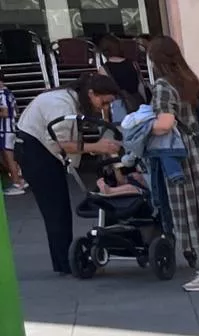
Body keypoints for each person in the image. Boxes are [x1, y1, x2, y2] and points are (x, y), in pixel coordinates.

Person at [14, 74, 122, 274]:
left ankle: (64, 260)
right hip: (36, 153)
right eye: (104, 102)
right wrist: (95, 147)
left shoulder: (68, 99)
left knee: (58, 209)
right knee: (56, 210)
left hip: (38, 150)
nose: (104, 108)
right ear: (91, 93)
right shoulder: (61, 104)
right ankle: (66, 262)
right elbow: (60, 143)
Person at [146, 36, 199, 291]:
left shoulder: (163, 85)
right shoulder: (190, 80)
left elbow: (164, 124)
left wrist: (141, 127)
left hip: (186, 155)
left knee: (198, 212)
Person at [0, 72, 26, 196]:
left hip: (6, 130)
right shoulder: (8, 92)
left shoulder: (1, 94)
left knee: (9, 157)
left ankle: (17, 183)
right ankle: (19, 180)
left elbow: (5, 113)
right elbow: (16, 110)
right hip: (10, 128)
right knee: (9, 157)